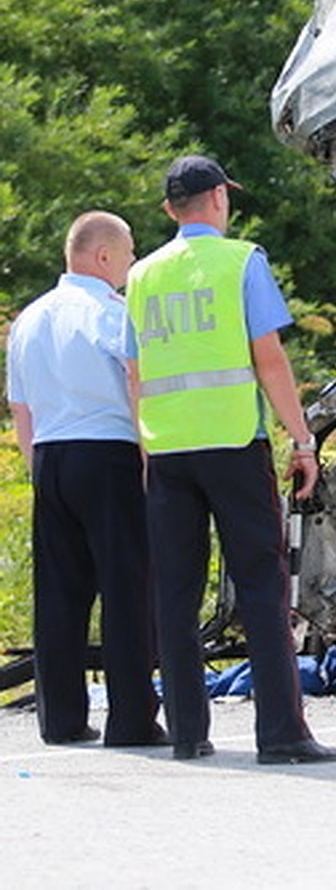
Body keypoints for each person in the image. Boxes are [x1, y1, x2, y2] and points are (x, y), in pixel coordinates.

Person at [125, 155, 336, 765]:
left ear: (171, 209)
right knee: (259, 586)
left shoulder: (141, 276)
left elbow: (135, 372)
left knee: (175, 591)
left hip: (168, 450)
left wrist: (147, 450)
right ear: (219, 198)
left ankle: (189, 733)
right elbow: (268, 359)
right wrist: (302, 441)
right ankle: (281, 734)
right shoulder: (241, 261)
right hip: (232, 445)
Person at [5, 212, 164, 747]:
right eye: (128, 253)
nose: (131, 263)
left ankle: (62, 719)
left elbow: (20, 408)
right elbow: (135, 383)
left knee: (59, 594)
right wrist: (148, 462)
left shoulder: (29, 318)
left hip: (49, 455)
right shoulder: (113, 314)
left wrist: (39, 468)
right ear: (103, 257)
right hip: (109, 454)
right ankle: (132, 720)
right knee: (126, 590)